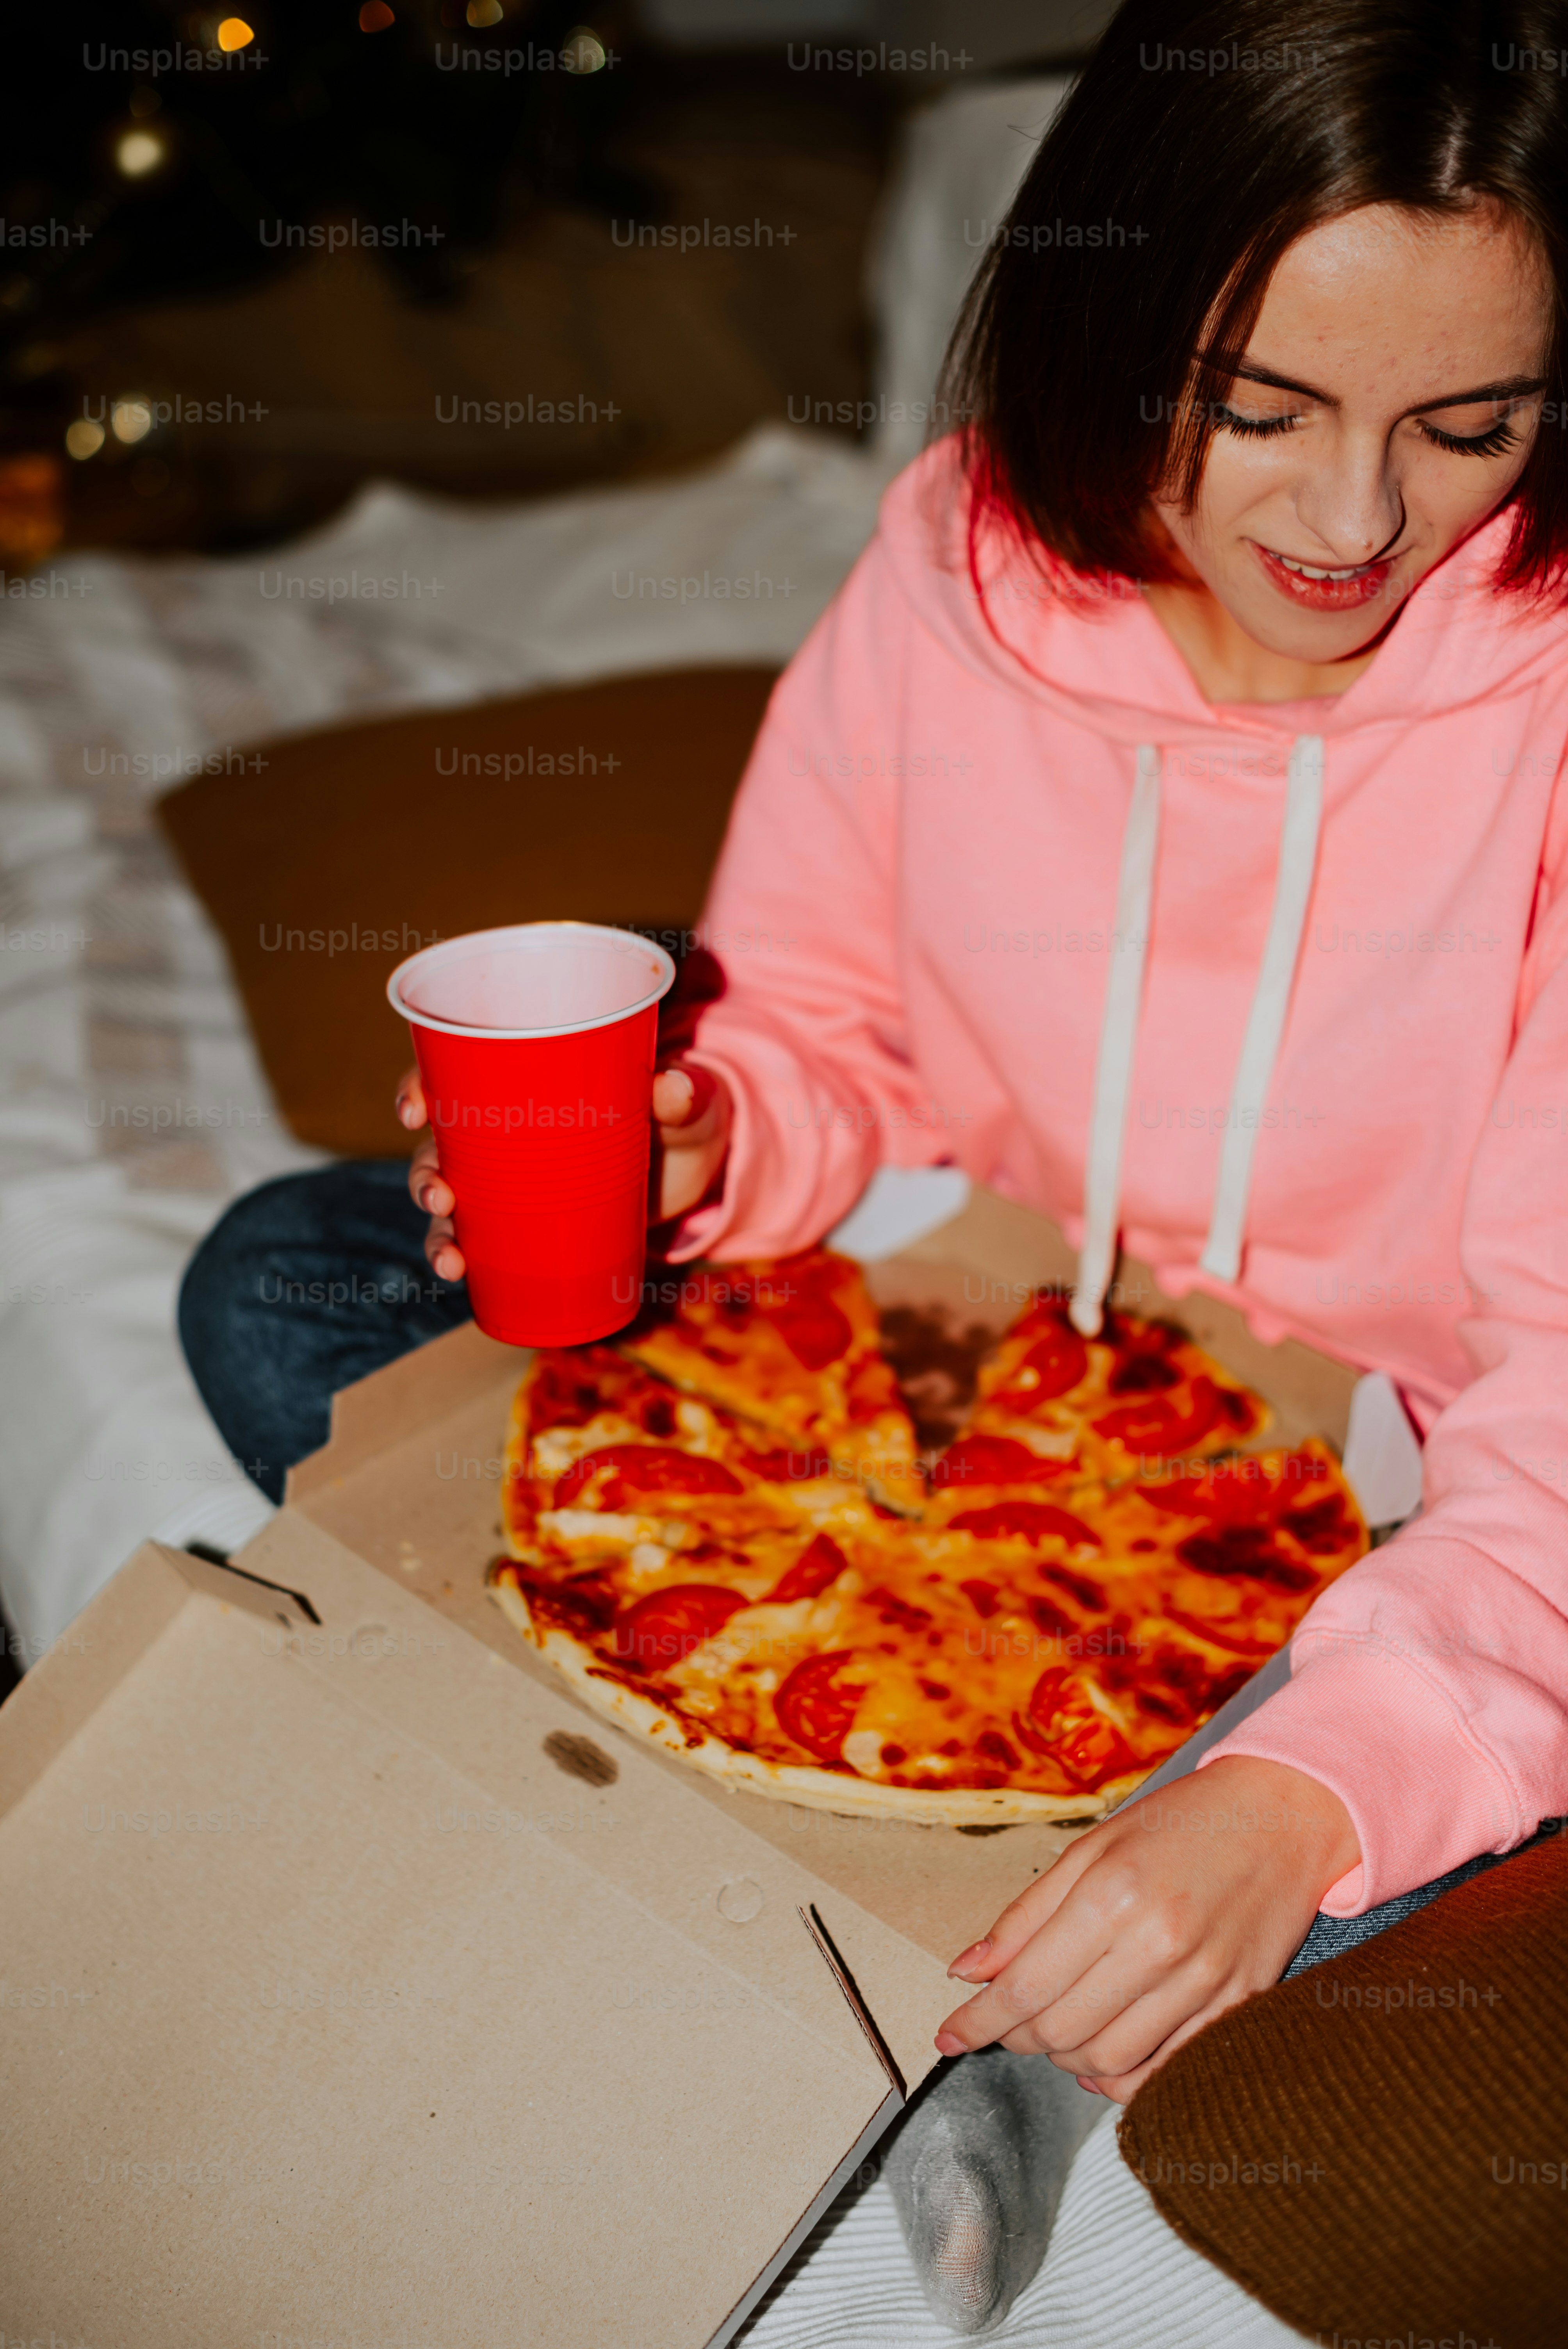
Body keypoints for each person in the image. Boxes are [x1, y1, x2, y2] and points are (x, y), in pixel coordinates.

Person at [179, 0, 1568, 2327]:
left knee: (1388, 1753)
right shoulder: (960, 562)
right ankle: (1062, 1935)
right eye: (1257, 406)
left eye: (1472, 427)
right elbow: (825, 1030)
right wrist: (706, 1136)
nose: (1351, 525)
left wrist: (1311, 1795)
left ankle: (1072, 1999)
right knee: (284, 1279)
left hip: (1405, 1475)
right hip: (975, 1399)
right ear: (1121, 326)